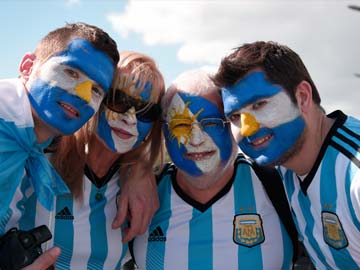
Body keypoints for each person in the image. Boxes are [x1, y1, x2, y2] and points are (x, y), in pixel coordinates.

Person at [213, 41, 360, 269]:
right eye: (234, 117)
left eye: (260, 104)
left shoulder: (354, 176)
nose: (247, 129)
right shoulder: (284, 164)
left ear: (302, 97)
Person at [131, 69, 297, 269]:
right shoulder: (141, 197)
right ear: (165, 133)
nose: (197, 140)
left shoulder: (281, 183)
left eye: (211, 123)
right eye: (181, 125)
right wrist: (132, 171)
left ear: (232, 125)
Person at [15, 51, 165, 269]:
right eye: (119, 100)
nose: (130, 117)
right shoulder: (37, 156)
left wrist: (141, 168)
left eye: (146, 111)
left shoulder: (146, 184)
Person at [0, 22, 119, 268]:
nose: (83, 95)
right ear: (27, 67)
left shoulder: (35, 146)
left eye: (96, 90)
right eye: (72, 72)